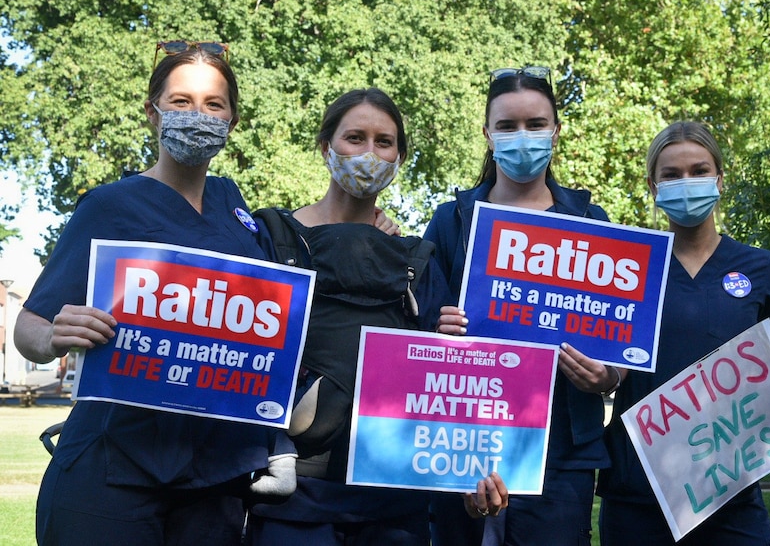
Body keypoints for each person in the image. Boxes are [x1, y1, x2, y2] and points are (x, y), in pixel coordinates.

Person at [13, 42, 279, 545]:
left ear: (232, 119)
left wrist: (375, 227)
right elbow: (28, 326)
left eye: (213, 104)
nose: (197, 115)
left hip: (214, 480)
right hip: (112, 471)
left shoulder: (238, 211)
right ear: (152, 113)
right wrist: (53, 336)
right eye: (180, 101)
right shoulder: (109, 206)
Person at [246, 87, 509, 546]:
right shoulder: (272, 239)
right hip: (295, 499)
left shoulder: (417, 262)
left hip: (392, 503)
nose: (369, 153)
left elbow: (447, 386)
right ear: (326, 147)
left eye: (384, 142)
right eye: (355, 138)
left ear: (400, 157)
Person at [425, 66, 619, 546]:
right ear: (488, 135)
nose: (523, 137)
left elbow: (619, 339)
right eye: (507, 126)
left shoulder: (591, 222)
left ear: (556, 131)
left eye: (535, 124)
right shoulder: (450, 221)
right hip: (463, 441)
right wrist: (436, 325)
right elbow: (417, 327)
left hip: (562, 449)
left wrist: (608, 377)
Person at [596, 121, 770, 546]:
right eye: (672, 175)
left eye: (699, 170)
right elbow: (612, 366)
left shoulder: (761, 267)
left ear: (719, 180)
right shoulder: (628, 267)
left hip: (730, 490)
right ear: (653, 185)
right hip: (637, 492)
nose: (686, 183)